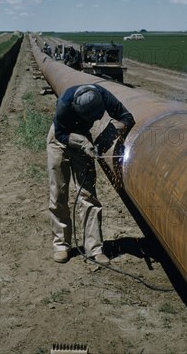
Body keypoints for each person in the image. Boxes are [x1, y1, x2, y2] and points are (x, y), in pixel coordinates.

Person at [47, 84, 135, 264]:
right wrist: (80, 143)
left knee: (88, 195)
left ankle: (94, 248)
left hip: (84, 140)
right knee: (58, 193)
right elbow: (61, 134)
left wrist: (109, 134)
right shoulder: (65, 103)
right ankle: (61, 245)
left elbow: (127, 117)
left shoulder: (103, 95)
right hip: (60, 141)